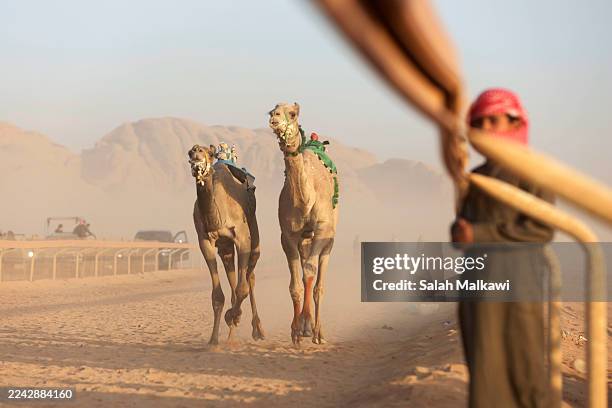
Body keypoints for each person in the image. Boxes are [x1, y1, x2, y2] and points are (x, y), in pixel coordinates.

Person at [451, 88, 554, 407]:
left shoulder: (535, 171)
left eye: (495, 120)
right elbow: (463, 230)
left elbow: (540, 228)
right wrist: (461, 232)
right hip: (477, 290)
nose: (489, 129)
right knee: (485, 376)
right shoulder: (475, 178)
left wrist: (479, 234)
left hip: (518, 287)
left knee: (526, 373)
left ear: (514, 122)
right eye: (481, 122)